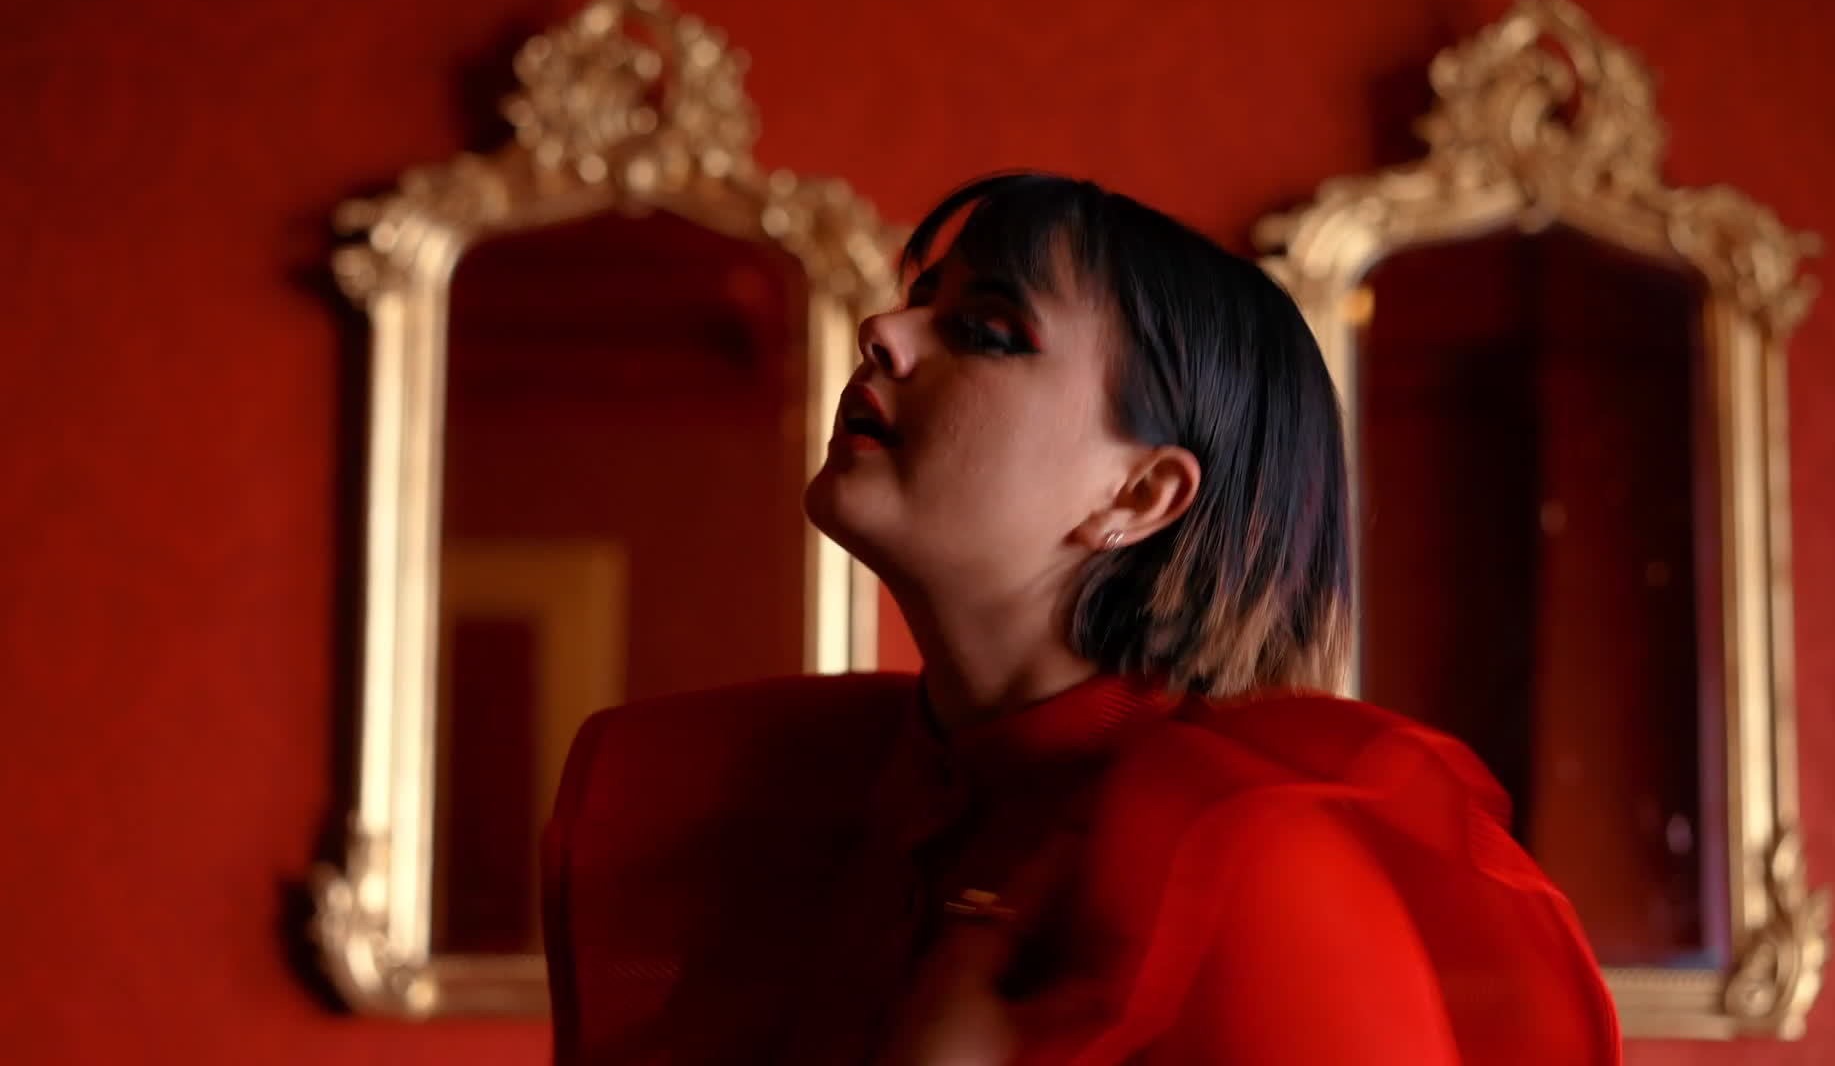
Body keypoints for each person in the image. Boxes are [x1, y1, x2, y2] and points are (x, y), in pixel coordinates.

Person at [542, 173, 1622, 1064]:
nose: (883, 331)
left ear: (1139, 495)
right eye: (919, 300)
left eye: (986, 328)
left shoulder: (1259, 861)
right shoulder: (789, 804)